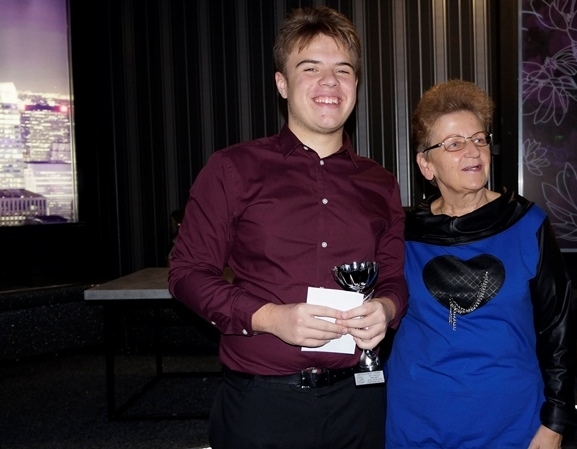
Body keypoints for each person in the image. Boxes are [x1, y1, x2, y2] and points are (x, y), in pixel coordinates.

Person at [168, 6, 408, 449]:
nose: (330, 82)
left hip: (359, 403)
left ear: (355, 84)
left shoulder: (380, 182)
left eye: (343, 70)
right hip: (262, 406)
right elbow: (186, 274)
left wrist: (387, 310)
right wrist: (271, 318)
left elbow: (393, 278)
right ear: (282, 83)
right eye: (310, 68)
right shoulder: (232, 169)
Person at [385, 79, 576, 449]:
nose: (473, 151)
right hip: (416, 422)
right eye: (454, 143)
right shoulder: (403, 232)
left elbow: (558, 329)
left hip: (512, 424)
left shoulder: (527, 224)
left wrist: (556, 419)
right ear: (426, 164)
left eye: (479, 139)